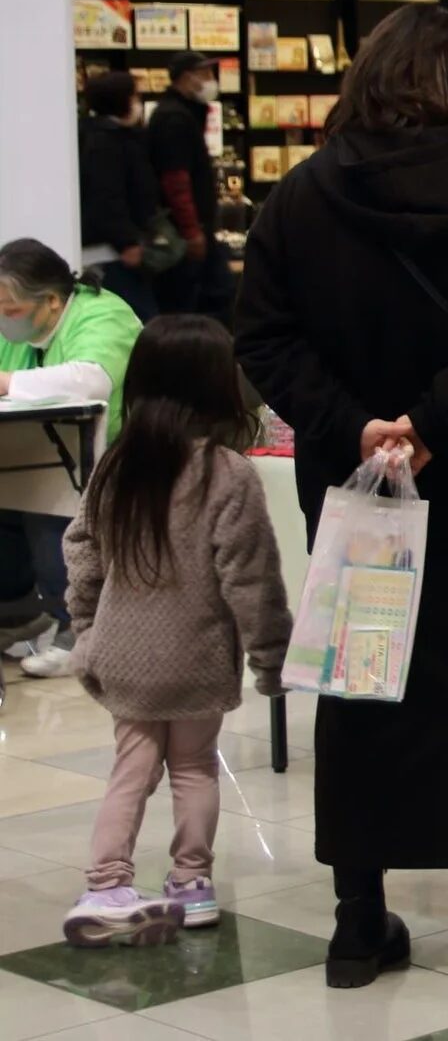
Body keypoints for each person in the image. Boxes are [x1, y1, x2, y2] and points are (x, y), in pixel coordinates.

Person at [233, 3, 448, 989]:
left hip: (359, 494)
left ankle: (359, 925)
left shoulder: (304, 196)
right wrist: (437, 422)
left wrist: (360, 426)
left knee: (362, 684)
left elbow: (262, 336)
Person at [58, 315, 290, 946]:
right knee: (193, 769)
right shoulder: (229, 474)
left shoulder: (117, 466)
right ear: (219, 387)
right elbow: (251, 578)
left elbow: (82, 551)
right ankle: (192, 884)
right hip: (199, 654)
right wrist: (271, 658)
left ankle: (106, 883)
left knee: (130, 768)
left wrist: (86, 628)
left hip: (123, 653)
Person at [0, 240, 143, 684]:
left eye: (10, 308)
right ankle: (22, 606)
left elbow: (91, 379)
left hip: (126, 452)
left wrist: (7, 382)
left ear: (52, 301)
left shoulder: (102, 314)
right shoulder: (24, 332)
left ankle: (75, 626)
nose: (4, 318)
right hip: (48, 444)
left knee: (49, 497)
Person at [148, 51, 233, 324]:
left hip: (192, 229)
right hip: (184, 233)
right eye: (205, 75)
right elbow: (176, 181)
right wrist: (192, 230)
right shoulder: (174, 119)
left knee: (209, 297)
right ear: (187, 78)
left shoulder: (183, 114)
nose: (211, 81)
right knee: (200, 301)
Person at [77, 71, 161, 322]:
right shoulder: (107, 142)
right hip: (110, 252)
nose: (138, 102)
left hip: (107, 248)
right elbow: (106, 195)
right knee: (135, 318)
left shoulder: (93, 134)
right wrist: (126, 242)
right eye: (134, 96)